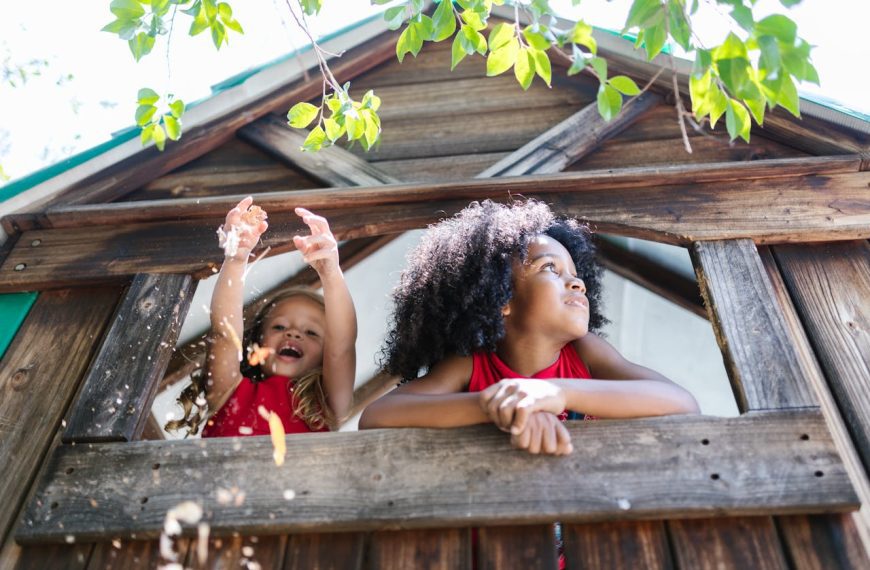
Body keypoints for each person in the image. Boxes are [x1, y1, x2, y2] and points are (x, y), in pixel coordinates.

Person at [359, 199, 699, 454]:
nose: (576, 283)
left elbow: (682, 403)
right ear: (501, 298)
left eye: (575, 275)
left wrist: (554, 394)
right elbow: (377, 415)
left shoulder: (586, 353)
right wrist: (496, 406)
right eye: (550, 268)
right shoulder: (471, 365)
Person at [166, 197, 357, 437]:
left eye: (311, 332)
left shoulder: (326, 406)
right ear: (257, 341)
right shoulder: (231, 392)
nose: (293, 333)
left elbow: (342, 346)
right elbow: (225, 334)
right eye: (279, 326)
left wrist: (330, 272)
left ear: (325, 356)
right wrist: (236, 259)